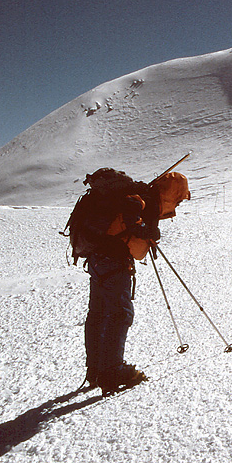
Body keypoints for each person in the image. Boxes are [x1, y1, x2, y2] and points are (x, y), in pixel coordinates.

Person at [73, 168, 161, 395]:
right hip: (114, 262)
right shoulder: (128, 200)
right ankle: (113, 371)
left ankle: (95, 370)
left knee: (98, 313)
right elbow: (136, 228)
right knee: (120, 314)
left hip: (95, 261)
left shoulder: (98, 199)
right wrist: (151, 231)